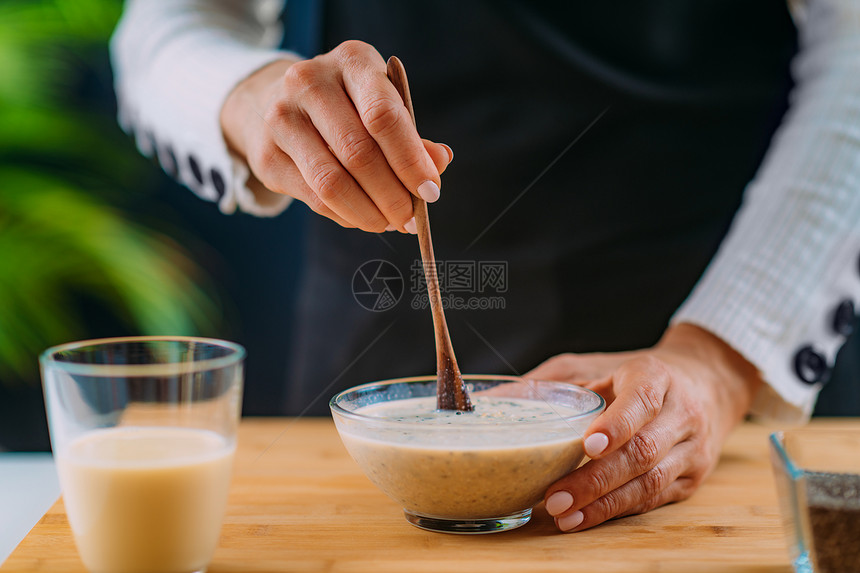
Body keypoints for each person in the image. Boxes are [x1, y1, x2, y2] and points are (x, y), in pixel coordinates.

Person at [110, 0, 860, 533]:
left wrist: (721, 362)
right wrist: (248, 100)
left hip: (703, 339)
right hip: (369, 351)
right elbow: (165, 27)